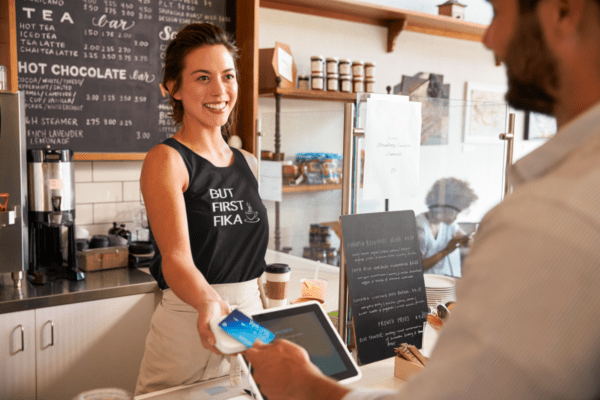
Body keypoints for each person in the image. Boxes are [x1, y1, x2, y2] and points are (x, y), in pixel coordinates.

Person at [245, 0, 600, 398]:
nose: (488, 38)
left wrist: (305, 386)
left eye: (498, 14)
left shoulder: (550, 217)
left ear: (564, 12)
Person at [135, 23, 269, 395]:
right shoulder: (166, 160)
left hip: (247, 319)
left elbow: (250, 255)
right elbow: (176, 259)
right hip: (189, 323)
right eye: (202, 77)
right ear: (173, 88)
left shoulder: (249, 162)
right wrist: (212, 306)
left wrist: (272, 309)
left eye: (227, 76)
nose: (219, 90)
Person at [416, 178, 478, 278]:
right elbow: (418, 268)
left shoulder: (447, 223)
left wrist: (469, 239)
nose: (456, 217)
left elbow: (466, 240)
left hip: (445, 281)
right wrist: (447, 250)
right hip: (428, 285)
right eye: (454, 212)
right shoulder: (420, 228)